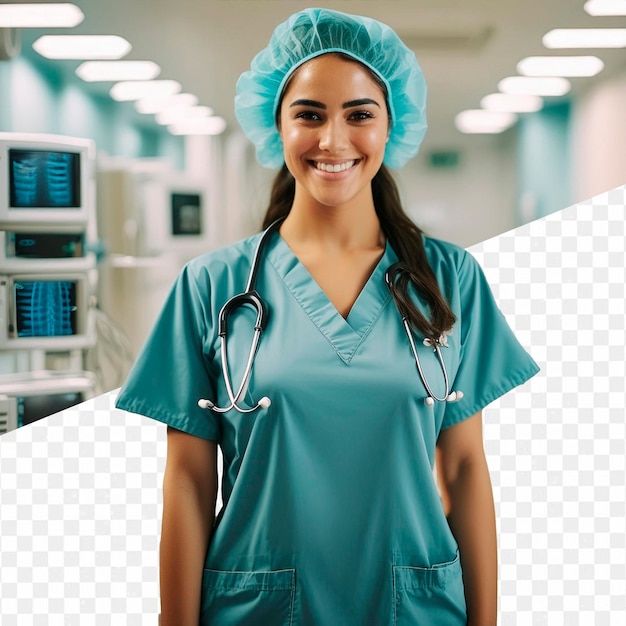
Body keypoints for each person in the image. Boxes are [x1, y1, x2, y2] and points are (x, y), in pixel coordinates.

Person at [116, 8, 540, 626]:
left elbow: (466, 467)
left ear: (390, 127)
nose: (333, 141)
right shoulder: (212, 287)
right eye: (309, 114)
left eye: (359, 115)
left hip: (414, 609)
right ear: (276, 125)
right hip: (257, 611)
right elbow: (187, 480)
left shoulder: (450, 281)